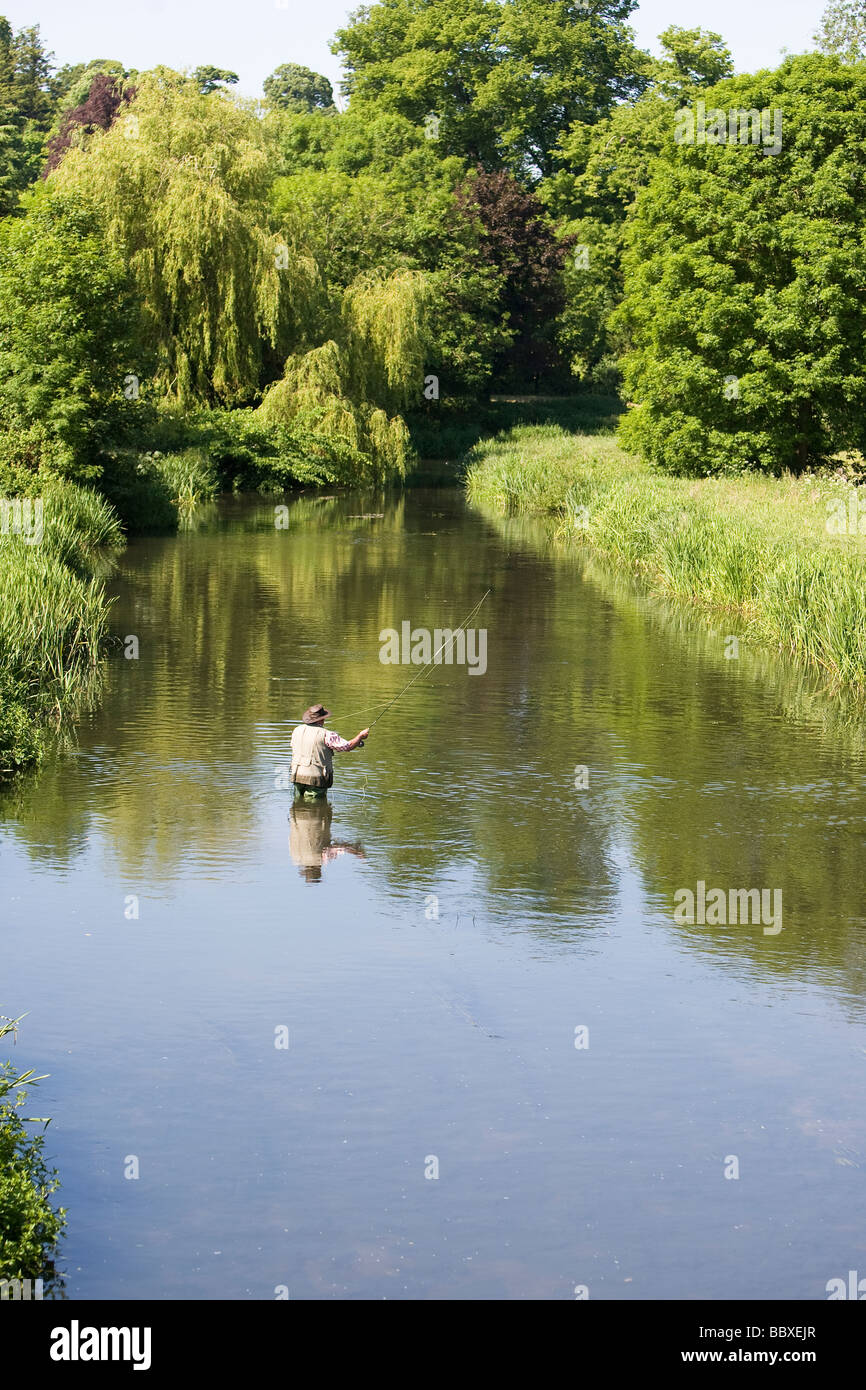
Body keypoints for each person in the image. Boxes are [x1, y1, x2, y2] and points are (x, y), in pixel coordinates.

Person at [290, 703, 370, 799]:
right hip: (316, 778)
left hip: (297, 775)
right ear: (322, 719)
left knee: (298, 803)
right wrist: (360, 736)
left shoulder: (296, 730)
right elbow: (347, 746)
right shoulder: (327, 735)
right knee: (316, 808)